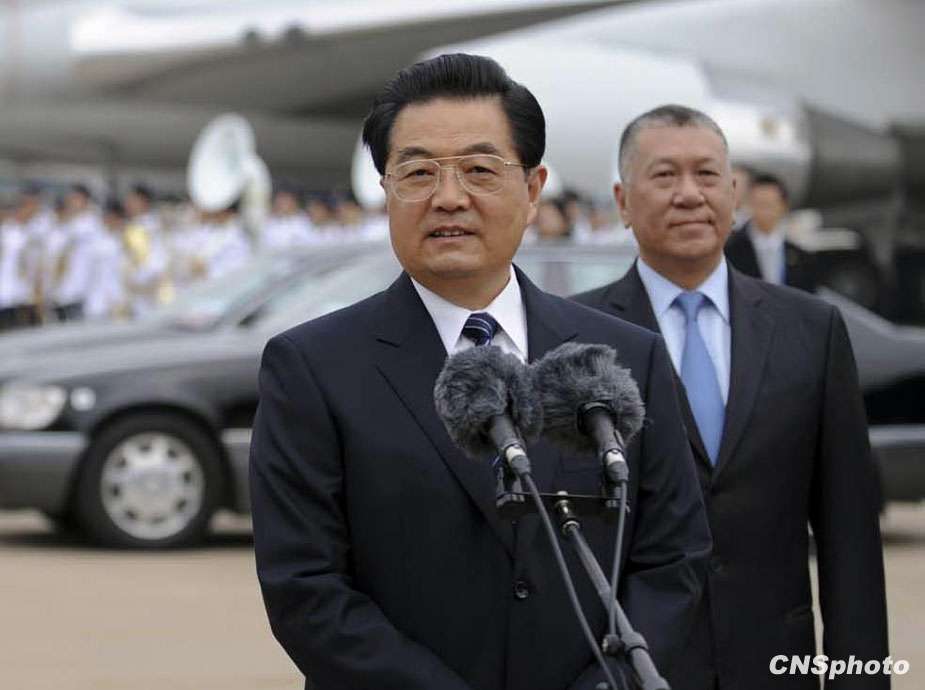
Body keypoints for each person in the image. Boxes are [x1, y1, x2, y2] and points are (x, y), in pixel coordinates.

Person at [249, 55, 710, 690]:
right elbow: (306, 589)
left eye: (479, 170)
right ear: (386, 191)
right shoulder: (311, 367)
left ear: (533, 190)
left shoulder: (623, 357)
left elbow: (672, 560)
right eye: (418, 173)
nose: (448, 197)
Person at [574, 105, 889, 689]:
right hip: (635, 670)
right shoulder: (576, 339)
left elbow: (849, 535)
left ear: (734, 193)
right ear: (622, 201)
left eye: (707, 174)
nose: (689, 194)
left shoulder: (811, 330)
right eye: (664, 175)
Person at [725, 173, 816, 291]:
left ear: (784, 206)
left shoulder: (799, 255)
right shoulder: (730, 250)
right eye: (759, 204)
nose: (764, 211)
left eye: (770, 205)